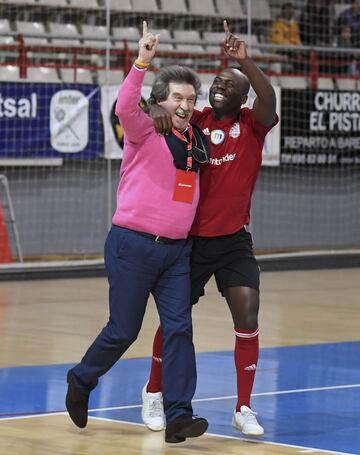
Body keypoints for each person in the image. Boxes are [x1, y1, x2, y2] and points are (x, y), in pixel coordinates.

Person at [65, 21, 211, 445]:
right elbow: (125, 104)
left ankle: (179, 415)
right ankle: (81, 379)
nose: (184, 104)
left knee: (179, 328)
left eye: (190, 98)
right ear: (161, 101)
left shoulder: (195, 140)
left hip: (176, 253)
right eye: (177, 97)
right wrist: (143, 60)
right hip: (132, 245)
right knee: (123, 330)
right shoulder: (146, 127)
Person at [141, 21, 278, 436]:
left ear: (242, 96)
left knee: (248, 313)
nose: (219, 86)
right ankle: (153, 392)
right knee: (175, 319)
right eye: (216, 81)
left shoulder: (253, 125)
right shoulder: (195, 118)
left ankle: (243, 407)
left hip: (234, 240)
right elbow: (147, 105)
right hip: (192, 241)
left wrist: (244, 61)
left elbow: (269, 98)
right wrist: (154, 113)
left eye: (229, 83)